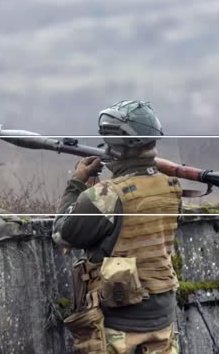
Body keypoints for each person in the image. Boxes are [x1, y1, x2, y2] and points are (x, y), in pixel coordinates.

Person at [52, 100, 181, 354]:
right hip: (163, 319)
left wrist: (77, 183)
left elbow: (62, 234)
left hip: (120, 321)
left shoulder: (108, 195)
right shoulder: (172, 186)